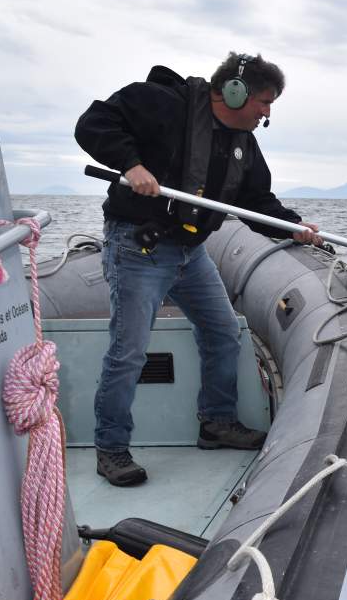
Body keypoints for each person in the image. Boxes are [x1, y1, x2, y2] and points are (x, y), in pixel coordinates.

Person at [75, 52, 321, 487]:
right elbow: (92, 125)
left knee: (224, 331)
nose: (267, 113)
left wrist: (292, 226)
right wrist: (131, 165)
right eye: (264, 102)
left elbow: (255, 203)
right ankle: (111, 448)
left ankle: (216, 423)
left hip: (191, 251)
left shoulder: (244, 144)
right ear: (234, 91)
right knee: (129, 350)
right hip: (139, 247)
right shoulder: (161, 103)